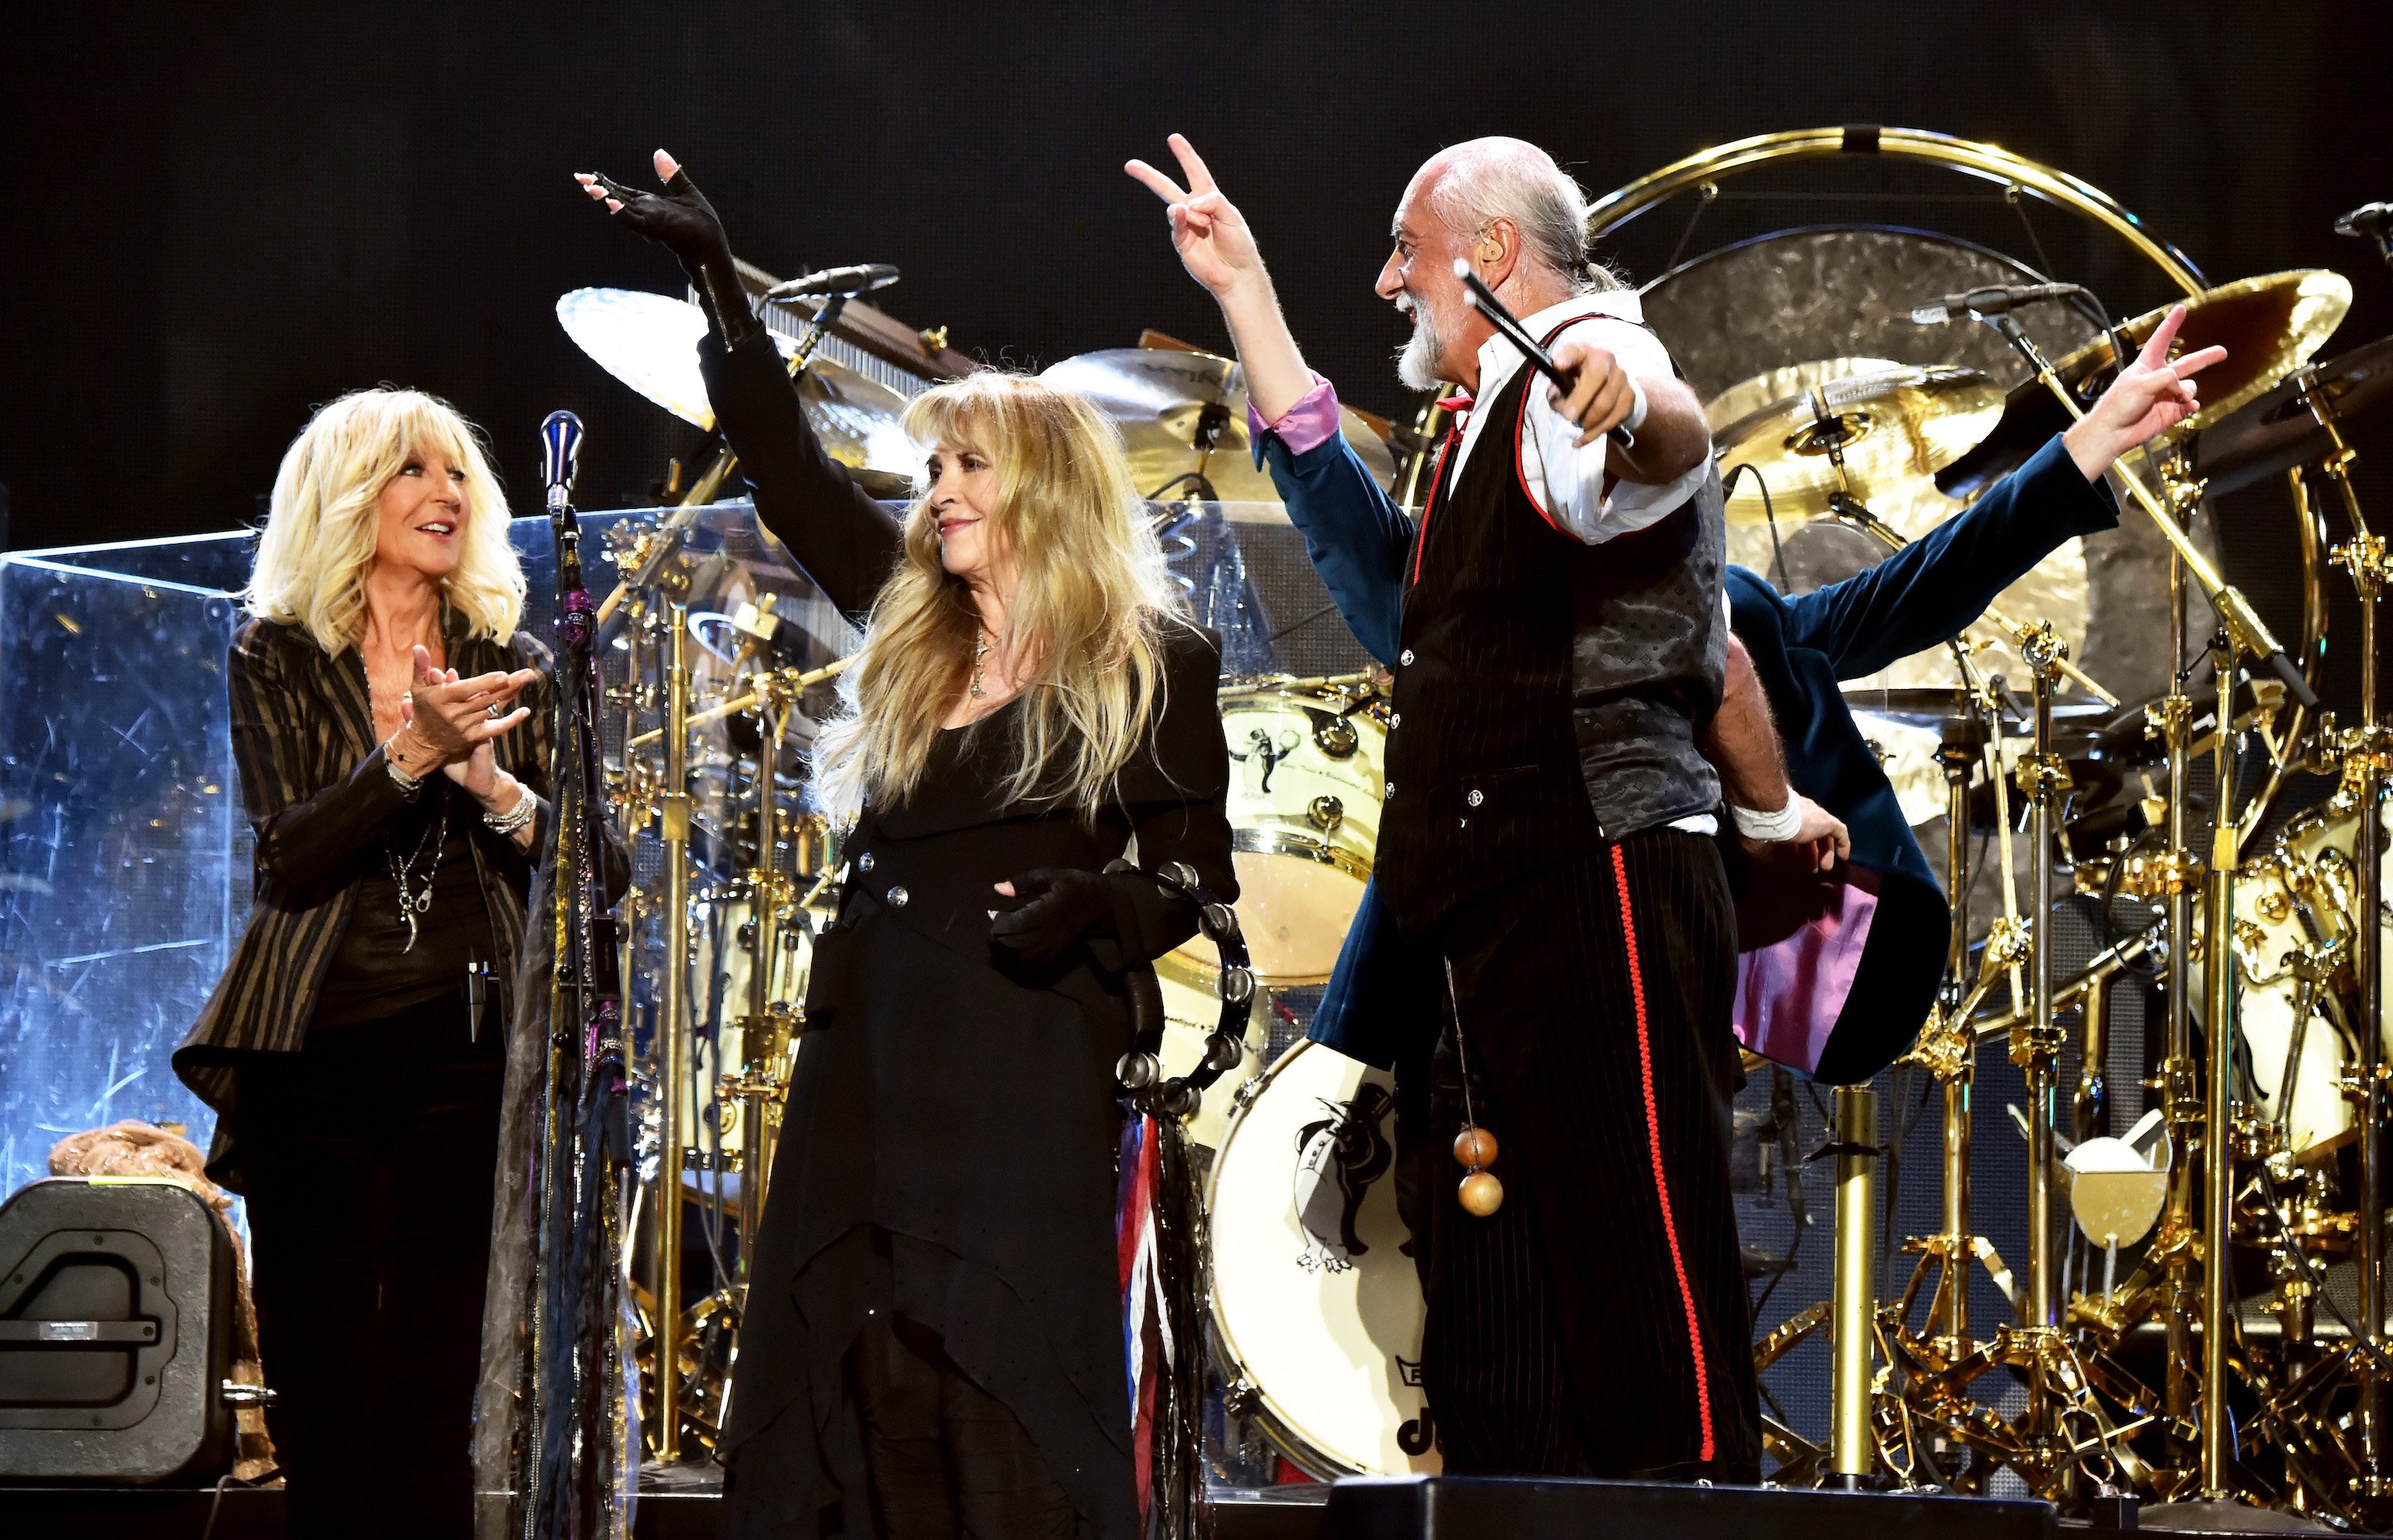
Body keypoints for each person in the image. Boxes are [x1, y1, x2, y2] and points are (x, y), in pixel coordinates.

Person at [579, 151, 1236, 1540]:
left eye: (964, 466)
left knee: (997, 1398)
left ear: (1044, 488)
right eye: (932, 465)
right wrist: (717, 278)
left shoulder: (1150, 658)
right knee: (855, 1385)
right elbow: (787, 470)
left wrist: (1091, 908)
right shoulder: (910, 619)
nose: (936, 489)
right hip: (868, 1054)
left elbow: (1196, 874)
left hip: (1015, 1061)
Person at [1133, 132, 1759, 1482]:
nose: (1386, 282)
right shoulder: (1473, 426)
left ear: (1488, 255)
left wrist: (1632, 396)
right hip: (1486, 907)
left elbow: (1659, 427)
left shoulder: (1582, 370)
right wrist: (1246, 297)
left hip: (1597, 871)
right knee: (1494, 1330)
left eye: (1407, 253)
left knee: (1642, 1300)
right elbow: (1387, 599)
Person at [171, 388, 551, 1538]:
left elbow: (600, 863)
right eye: (412, 472)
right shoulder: (279, 654)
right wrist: (409, 757)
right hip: (313, 1049)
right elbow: (289, 852)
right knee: (320, 1371)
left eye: (456, 475)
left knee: (435, 1381)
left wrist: (496, 788)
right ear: (347, 495)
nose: (446, 493)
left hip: (465, 1047)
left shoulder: (513, 658)